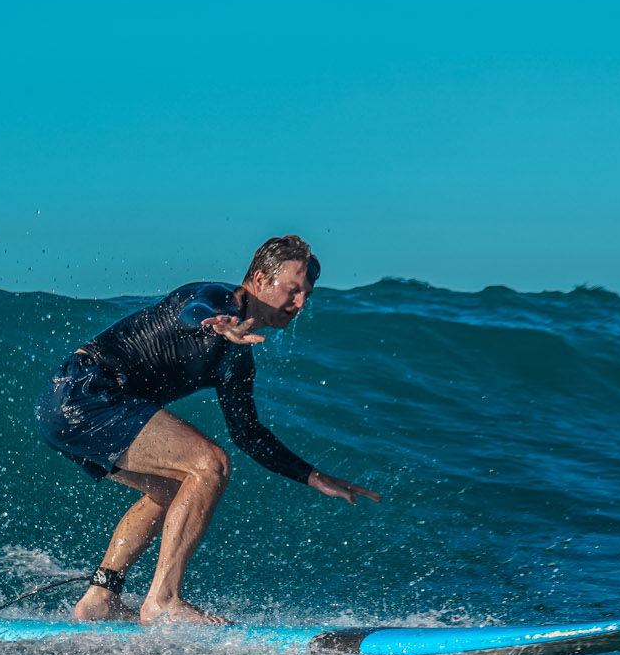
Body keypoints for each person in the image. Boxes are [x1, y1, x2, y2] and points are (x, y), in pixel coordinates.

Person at [36, 234, 379, 624]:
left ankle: (100, 598)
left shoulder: (237, 360)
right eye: (293, 289)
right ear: (261, 279)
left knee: (171, 489)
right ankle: (163, 600)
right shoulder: (216, 298)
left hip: (72, 405)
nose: (300, 303)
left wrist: (312, 476)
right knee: (209, 463)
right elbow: (192, 311)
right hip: (83, 391)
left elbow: (247, 433)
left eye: (307, 294)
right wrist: (217, 324)